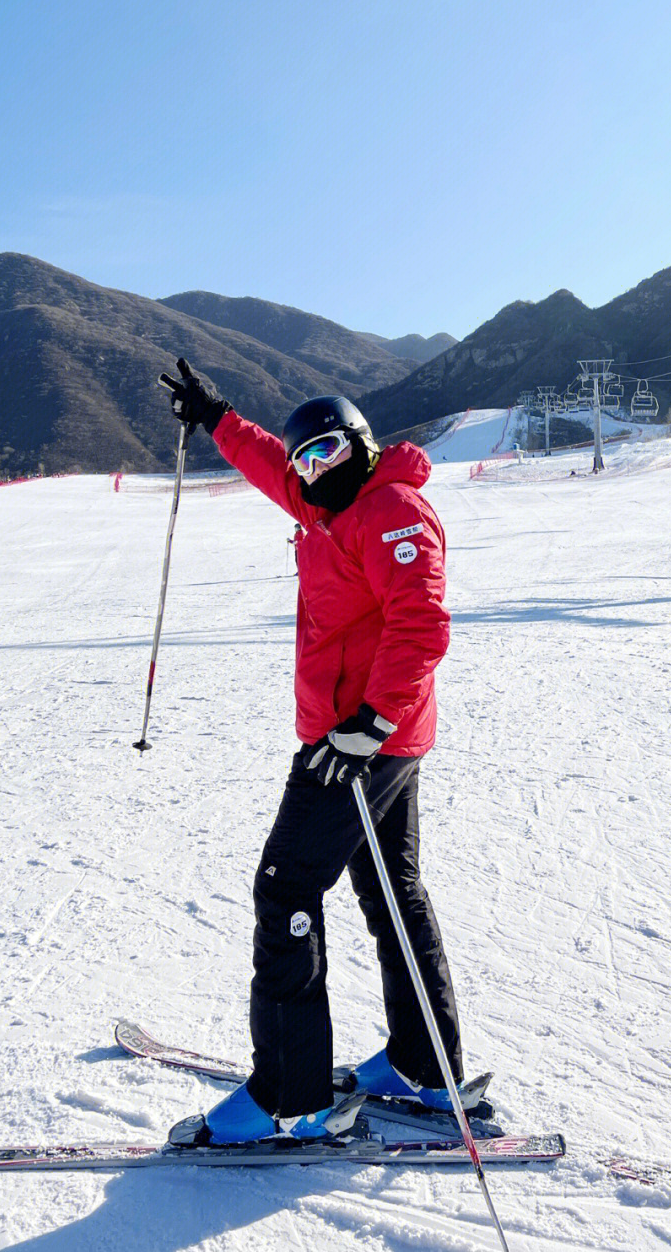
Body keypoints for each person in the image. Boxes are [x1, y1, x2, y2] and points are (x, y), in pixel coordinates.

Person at [159, 358, 463, 1146]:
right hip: (376, 734)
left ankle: (291, 1100)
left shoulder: (390, 508)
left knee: (285, 884)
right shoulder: (331, 505)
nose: (311, 471)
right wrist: (220, 416)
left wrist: (366, 724)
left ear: (359, 446)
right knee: (392, 891)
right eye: (305, 461)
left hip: (357, 742)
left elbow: (422, 624)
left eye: (326, 453)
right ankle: (424, 1067)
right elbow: (269, 465)